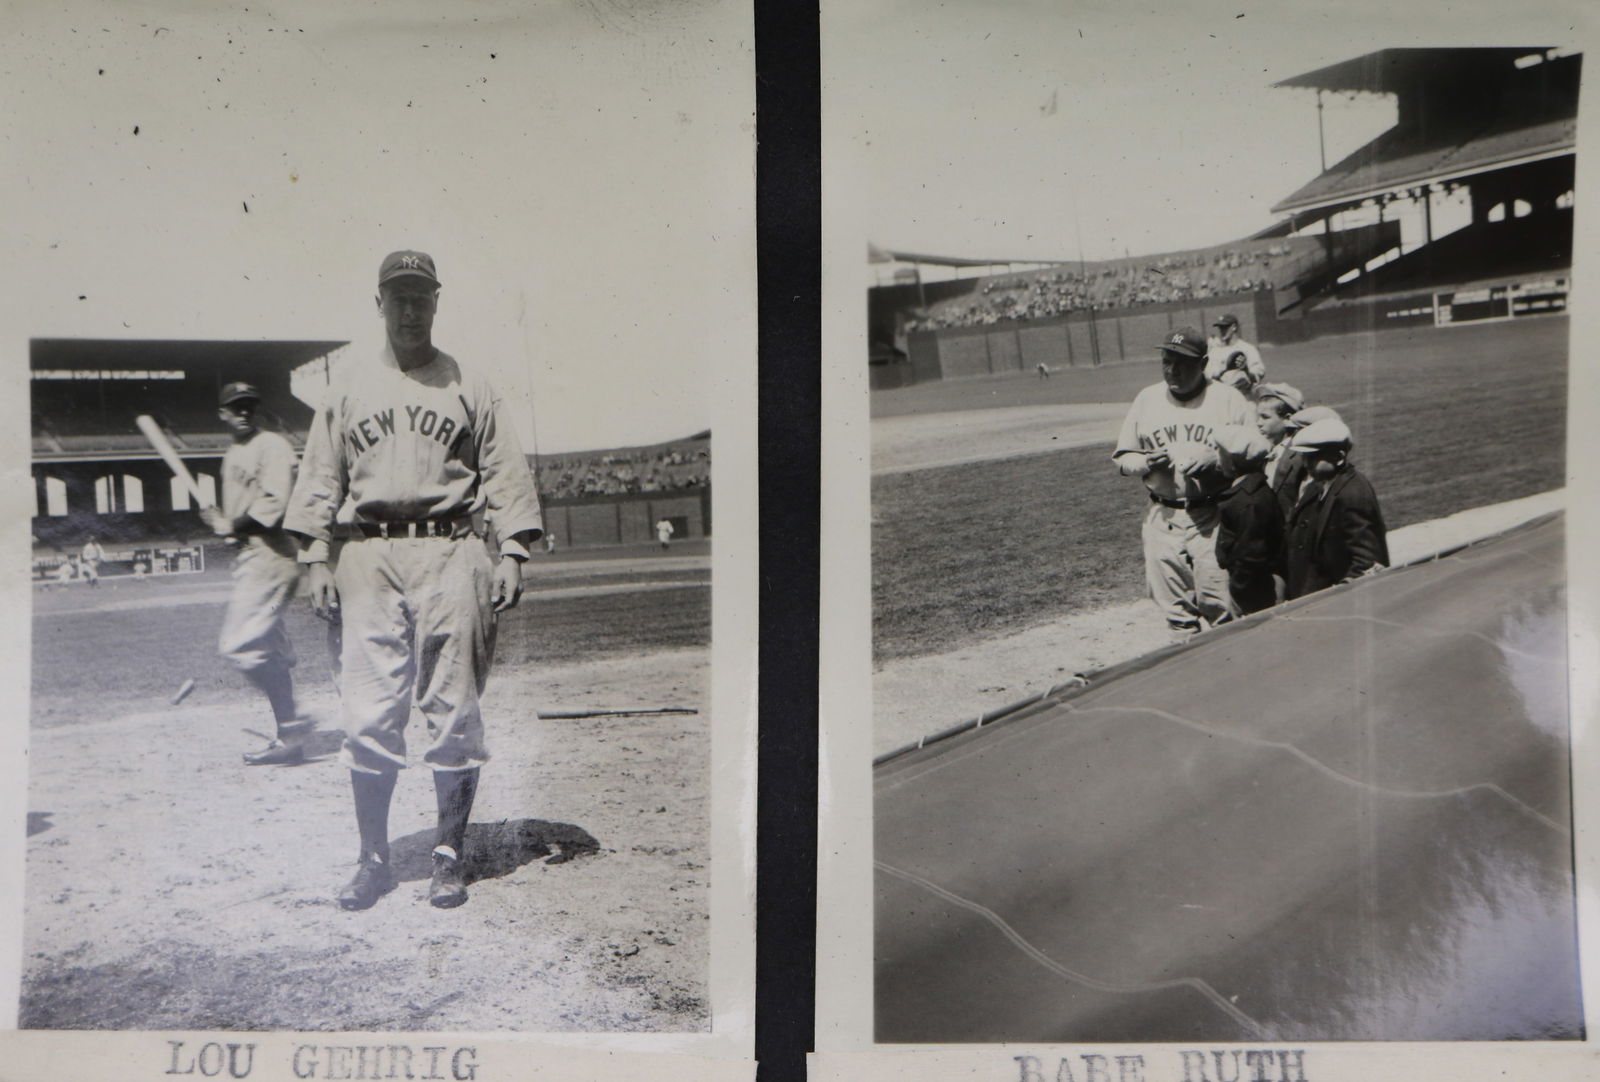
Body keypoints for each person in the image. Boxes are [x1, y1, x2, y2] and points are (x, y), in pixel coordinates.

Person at [284, 250, 544, 911]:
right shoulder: (346, 387)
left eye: (420, 296)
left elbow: (505, 470)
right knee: (369, 716)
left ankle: (448, 857)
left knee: (454, 713)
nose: (409, 309)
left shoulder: (469, 384)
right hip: (367, 555)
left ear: (436, 302)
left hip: (453, 550)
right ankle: (373, 860)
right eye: (397, 296)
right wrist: (314, 559)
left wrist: (513, 550)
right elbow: (320, 476)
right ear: (379, 304)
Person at [1113, 326, 1255, 637]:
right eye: (1167, 361)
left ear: (1203, 363)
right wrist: (1145, 463)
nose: (1172, 370)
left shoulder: (1228, 399)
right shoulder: (1147, 399)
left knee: (1223, 610)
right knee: (1177, 617)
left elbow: (1257, 457)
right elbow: (1123, 458)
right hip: (1162, 520)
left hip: (1214, 518)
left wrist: (1217, 462)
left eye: (1182, 363)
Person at [205, 381, 311, 766]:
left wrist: (232, 525)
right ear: (223, 413)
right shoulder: (234, 453)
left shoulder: (273, 446)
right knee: (269, 652)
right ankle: (290, 737)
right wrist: (224, 523)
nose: (244, 412)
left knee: (238, 646)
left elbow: (274, 505)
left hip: (272, 555)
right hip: (250, 556)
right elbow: (242, 515)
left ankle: (295, 723)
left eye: (249, 405)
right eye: (236, 406)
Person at [1282, 418, 1389, 600]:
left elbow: (1366, 561)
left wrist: (1337, 598)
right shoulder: (1319, 486)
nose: (1305, 464)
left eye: (1313, 457)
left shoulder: (1353, 494)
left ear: (1339, 457)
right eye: (1304, 457)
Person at [1212, 425, 1284, 616]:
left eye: (1219, 452)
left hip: (1252, 592)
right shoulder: (1249, 491)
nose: (1216, 457)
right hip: (1248, 584)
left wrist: (1239, 594)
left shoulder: (1248, 502)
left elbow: (1251, 557)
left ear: (1233, 461)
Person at [1205, 313, 1264, 389]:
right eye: (1220, 328)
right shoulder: (1214, 351)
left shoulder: (1247, 349)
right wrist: (1221, 372)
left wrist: (1246, 371)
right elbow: (1208, 374)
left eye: (1225, 327)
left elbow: (1258, 373)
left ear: (1234, 327)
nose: (1222, 331)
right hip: (1222, 391)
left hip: (1243, 392)